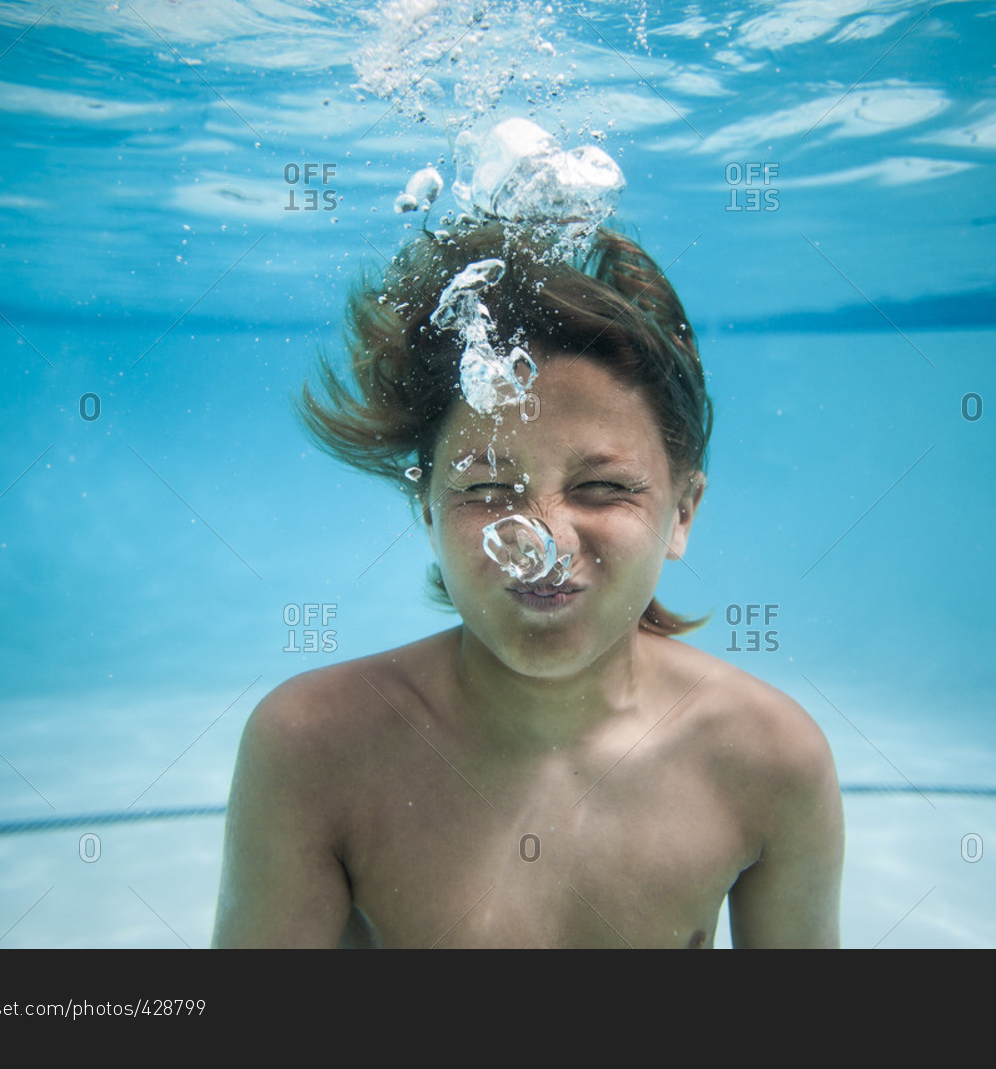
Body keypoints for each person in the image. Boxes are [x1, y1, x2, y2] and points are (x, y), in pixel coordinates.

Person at [211, 221, 843, 947]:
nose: (539, 543)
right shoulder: (314, 749)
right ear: (426, 507)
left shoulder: (771, 759)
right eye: (487, 486)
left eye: (602, 488)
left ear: (683, 513)